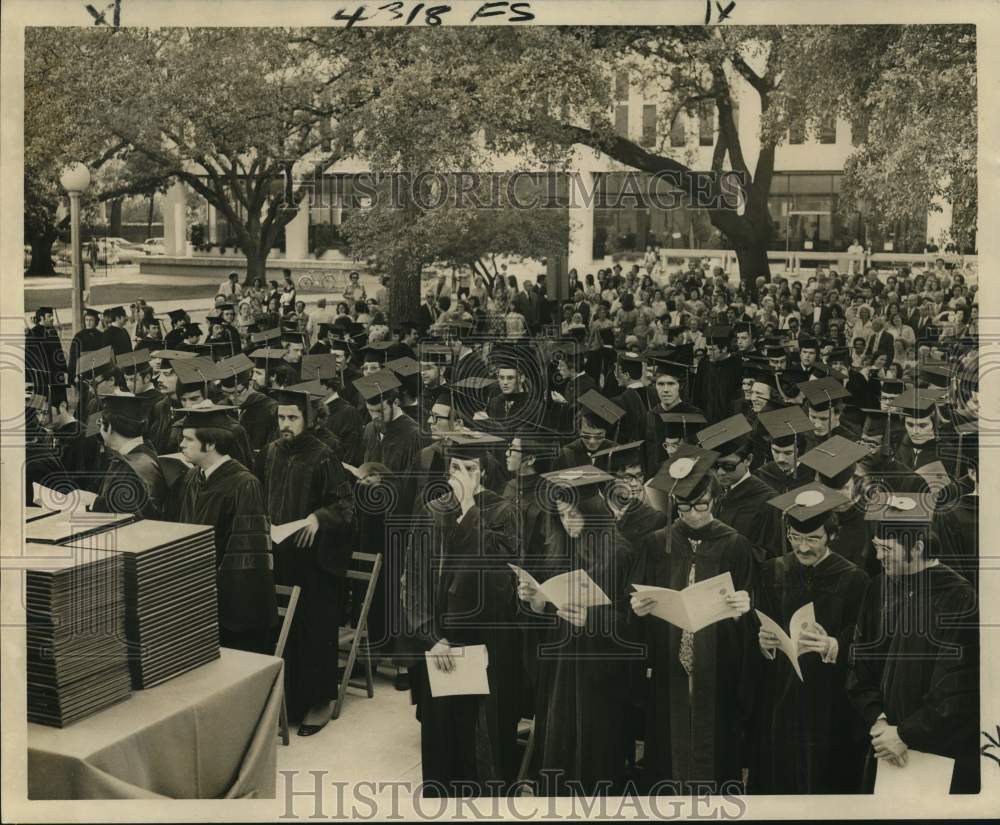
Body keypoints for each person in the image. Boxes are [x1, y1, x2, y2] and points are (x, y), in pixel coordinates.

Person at [630, 449, 754, 794]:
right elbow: (637, 603)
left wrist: (745, 604)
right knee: (668, 745)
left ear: (715, 499)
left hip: (717, 664)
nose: (695, 515)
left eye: (703, 506)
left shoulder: (734, 544)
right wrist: (638, 608)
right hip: (669, 665)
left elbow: (750, 605)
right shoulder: (656, 544)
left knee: (713, 744)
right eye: (686, 507)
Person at [403, 436, 521, 795]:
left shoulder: (502, 512)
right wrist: (429, 635)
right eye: (455, 468)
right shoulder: (432, 511)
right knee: (441, 735)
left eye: (470, 469)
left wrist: (470, 510)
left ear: (483, 472)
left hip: (484, 646)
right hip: (439, 643)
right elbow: (414, 578)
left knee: (480, 740)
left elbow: (501, 583)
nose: (462, 476)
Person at [516, 466, 639, 796]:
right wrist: (536, 601)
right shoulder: (561, 548)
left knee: (593, 750)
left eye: (573, 515)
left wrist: (593, 620)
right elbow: (549, 612)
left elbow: (633, 623)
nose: (567, 523)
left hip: (598, 671)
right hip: (560, 664)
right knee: (558, 740)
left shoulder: (620, 552)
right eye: (560, 515)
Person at [847, 493, 980, 794]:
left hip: (935, 753)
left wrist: (905, 734)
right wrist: (877, 721)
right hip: (881, 742)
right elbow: (859, 662)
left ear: (917, 547)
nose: (878, 557)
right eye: (876, 548)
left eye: (887, 549)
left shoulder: (957, 597)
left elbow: (957, 686)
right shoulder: (878, 587)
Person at [749, 484, 870, 793]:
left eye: (813, 538)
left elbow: (867, 638)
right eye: (796, 537)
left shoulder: (854, 579)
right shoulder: (772, 571)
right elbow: (761, 625)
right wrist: (763, 645)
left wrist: (834, 645)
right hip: (781, 696)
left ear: (831, 535)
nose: (802, 548)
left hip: (830, 700)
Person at [255, 388, 354, 735]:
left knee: (313, 630)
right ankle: (289, 700)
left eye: (293, 418)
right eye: (281, 418)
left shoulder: (324, 455)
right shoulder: (270, 452)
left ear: (308, 420)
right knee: (284, 630)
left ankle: (319, 701)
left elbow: (344, 505)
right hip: (280, 554)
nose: (286, 424)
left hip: (315, 562)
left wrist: (317, 519)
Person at [167, 405, 276, 653]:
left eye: (188, 439)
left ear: (211, 444)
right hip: (197, 598)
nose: (181, 445)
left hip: (234, 610)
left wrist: (206, 586)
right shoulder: (192, 478)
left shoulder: (244, 485)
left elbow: (245, 557)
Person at [697, 414, 783, 563]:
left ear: (748, 460)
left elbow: (770, 556)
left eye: (728, 466)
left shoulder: (768, 502)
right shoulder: (712, 491)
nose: (720, 473)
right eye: (714, 466)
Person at [91, 392, 167, 519]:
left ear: (109, 427)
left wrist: (93, 502)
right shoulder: (146, 453)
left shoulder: (129, 469)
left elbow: (124, 516)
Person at [67, 308, 107, 384]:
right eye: (86, 320)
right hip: (82, 373)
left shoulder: (101, 336)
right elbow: (73, 357)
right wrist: (73, 375)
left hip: (98, 373)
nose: (88, 323)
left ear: (96, 321)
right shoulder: (79, 336)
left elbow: (104, 354)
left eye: (91, 320)